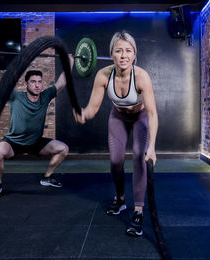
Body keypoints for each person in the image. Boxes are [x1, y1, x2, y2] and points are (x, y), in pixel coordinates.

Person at [73, 31, 158, 237]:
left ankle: (138, 212)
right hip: (117, 117)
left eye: (128, 51)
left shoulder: (141, 77)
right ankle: (120, 200)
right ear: (111, 54)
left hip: (140, 118)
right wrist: (83, 114)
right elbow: (92, 109)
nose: (123, 55)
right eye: (118, 51)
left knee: (139, 155)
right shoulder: (103, 75)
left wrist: (152, 148)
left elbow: (153, 113)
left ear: (134, 54)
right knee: (115, 161)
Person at [0, 47, 74, 199]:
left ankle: (46, 177)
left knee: (63, 149)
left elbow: (62, 82)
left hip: (35, 142)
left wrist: (69, 62)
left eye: (39, 82)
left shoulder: (45, 96)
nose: (37, 85)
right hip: (13, 142)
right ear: (27, 84)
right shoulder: (15, 96)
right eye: (33, 82)